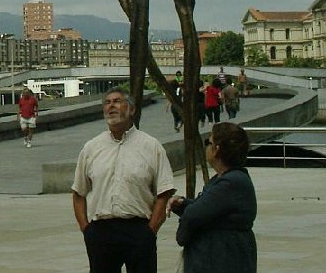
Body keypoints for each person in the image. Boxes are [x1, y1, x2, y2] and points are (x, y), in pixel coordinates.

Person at [71, 88, 175, 273]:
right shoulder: (91, 148)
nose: (111, 106)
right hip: (101, 231)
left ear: (132, 110)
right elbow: (79, 192)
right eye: (107, 102)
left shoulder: (151, 146)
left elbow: (164, 191)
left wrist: (151, 230)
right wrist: (86, 230)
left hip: (139, 230)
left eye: (117, 101)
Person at [168, 122, 257, 273]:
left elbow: (193, 215)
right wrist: (183, 204)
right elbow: (209, 208)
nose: (206, 147)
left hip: (222, 258)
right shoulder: (225, 179)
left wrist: (183, 237)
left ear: (217, 149)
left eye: (208, 142)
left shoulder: (231, 182)